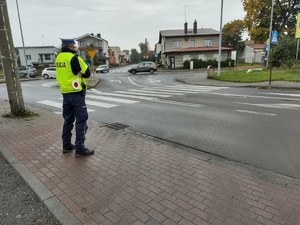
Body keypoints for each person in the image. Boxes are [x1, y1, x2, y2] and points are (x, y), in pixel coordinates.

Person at [55, 38, 94, 157]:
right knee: (81, 120)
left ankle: (66, 145)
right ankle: (80, 148)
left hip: (65, 93)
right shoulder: (74, 58)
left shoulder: (58, 58)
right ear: (72, 46)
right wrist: (80, 73)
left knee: (68, 120)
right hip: (77, 93)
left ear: (63, 46)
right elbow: (87, 73)